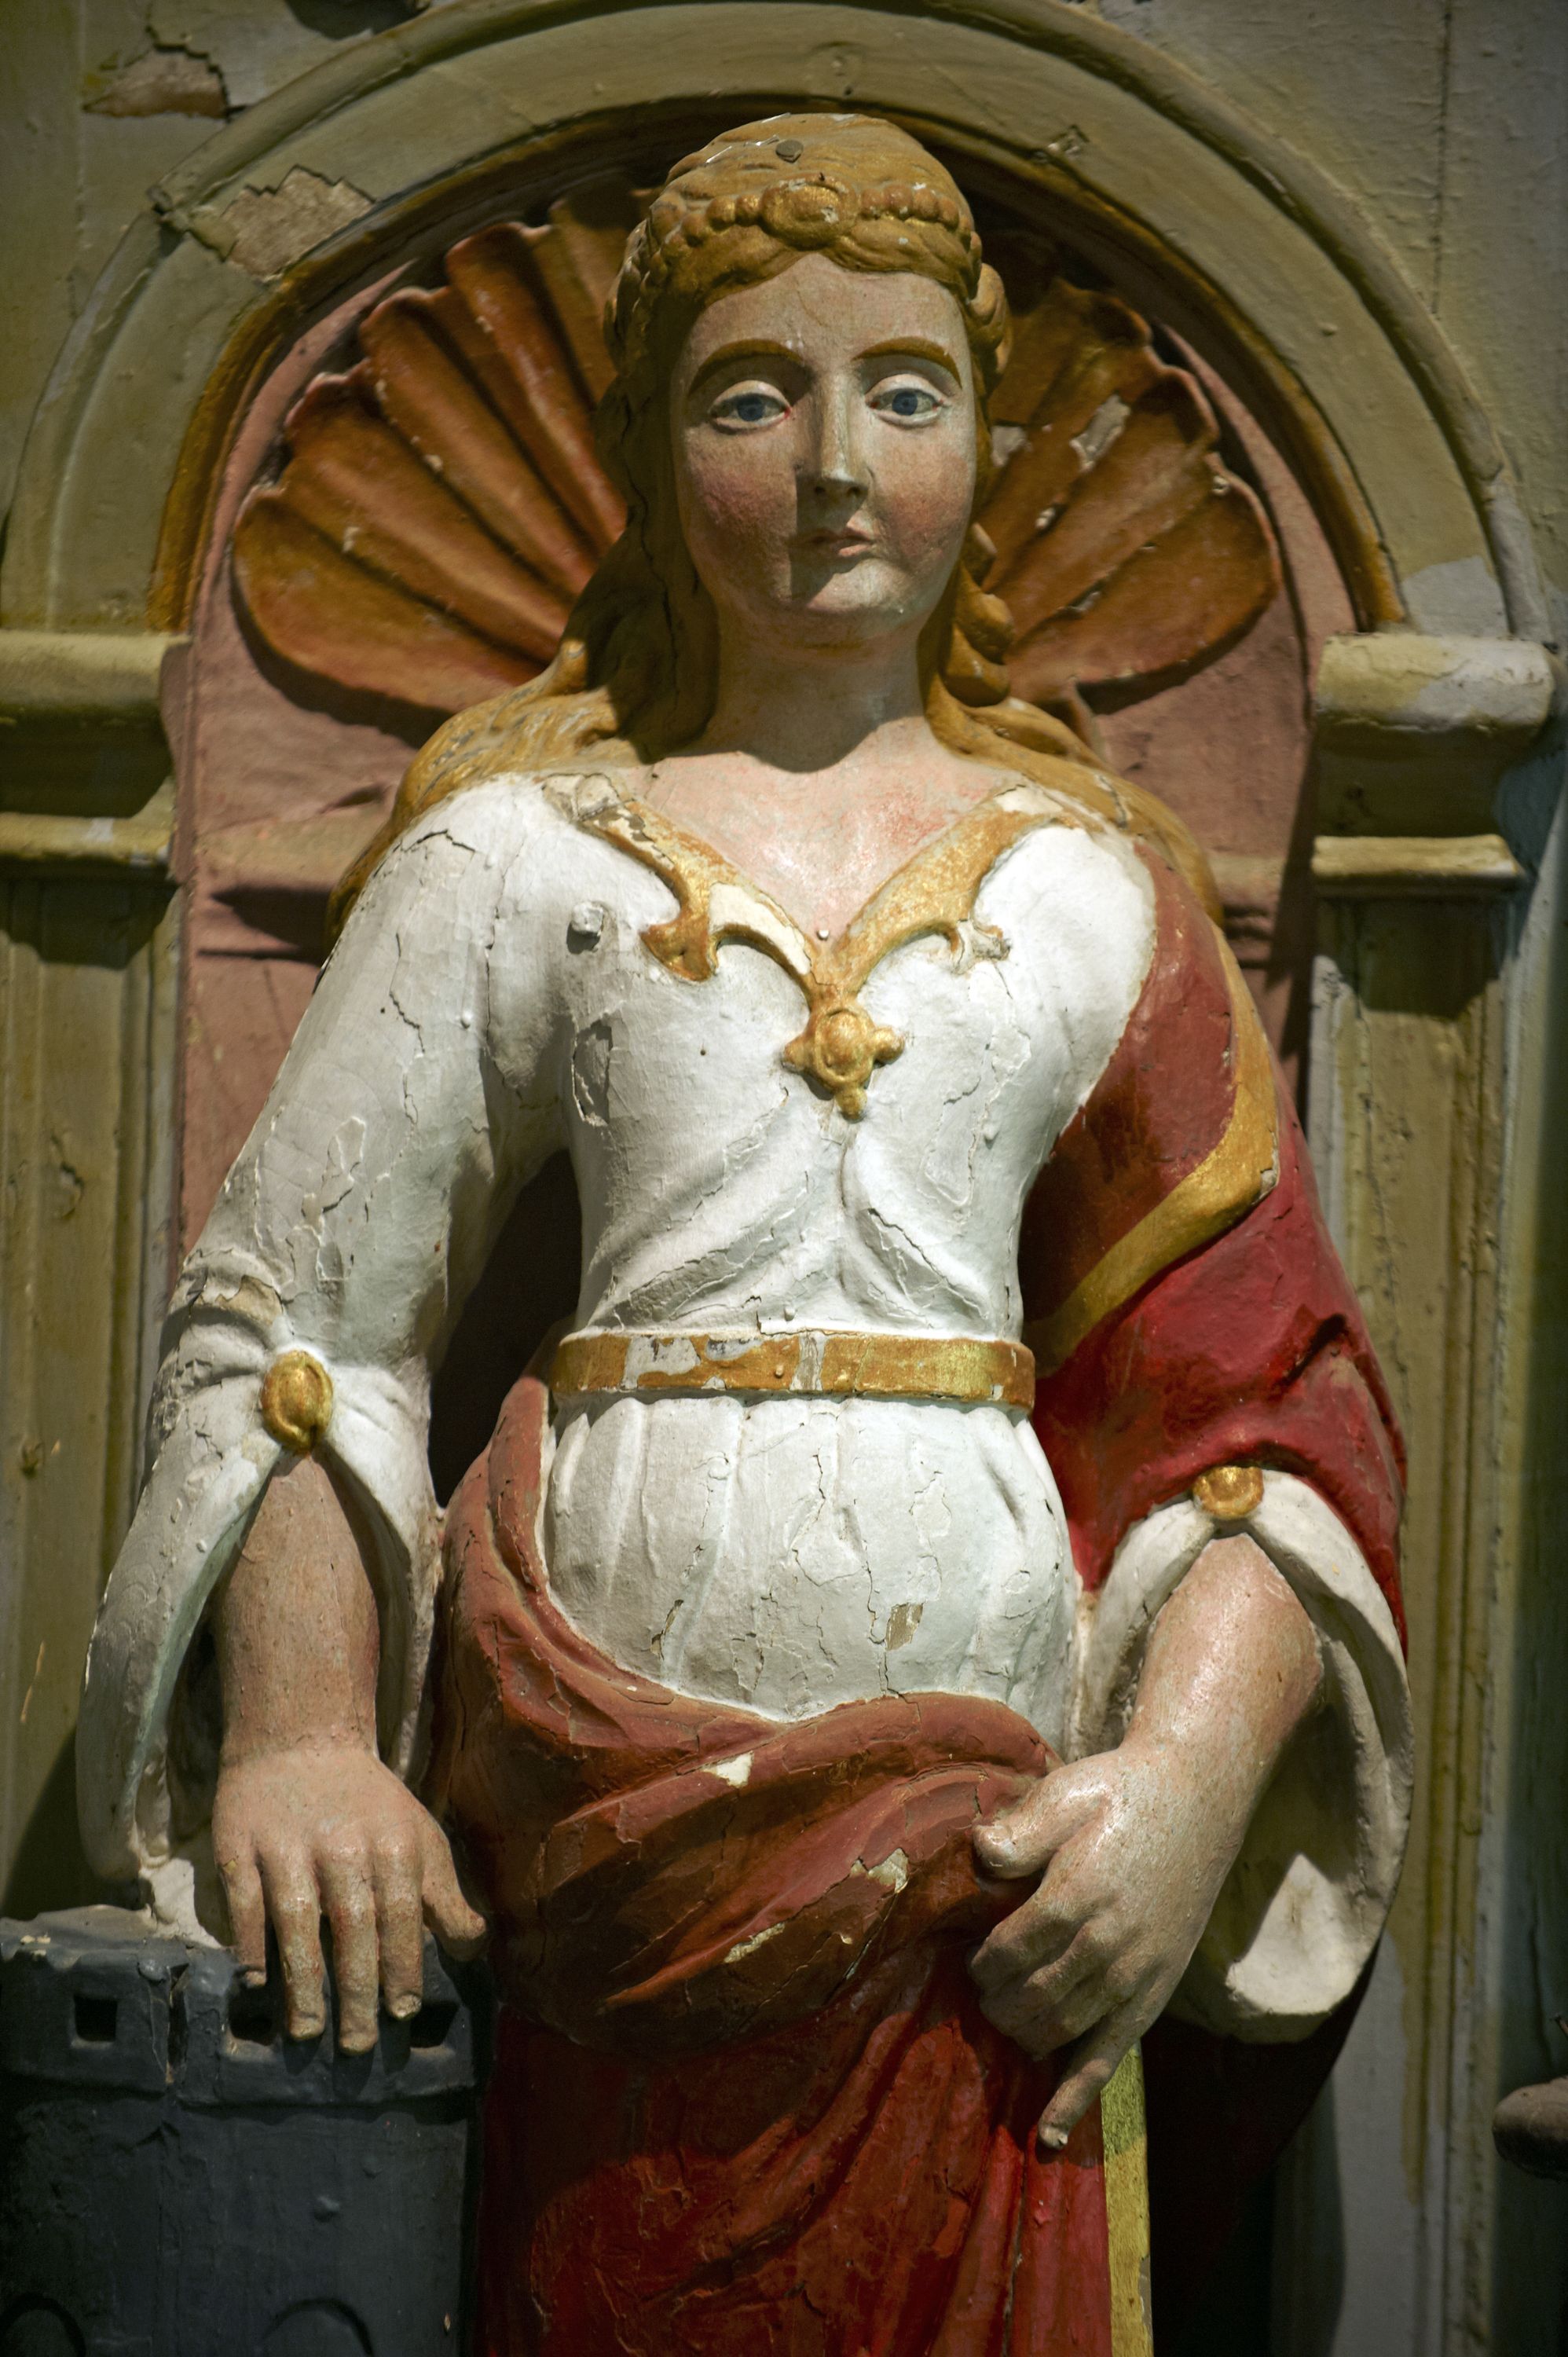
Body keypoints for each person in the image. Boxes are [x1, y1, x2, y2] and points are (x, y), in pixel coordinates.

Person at [79, 115, 1411, 2355]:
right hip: (594, 1795)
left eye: (905, 391)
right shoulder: (516, 852)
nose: (833, 467)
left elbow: (1259, 1415)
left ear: (986, 441)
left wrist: (1184, 1789)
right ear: (644, 449)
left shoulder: (1094, 882)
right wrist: (300, 1735)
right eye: (750, 396)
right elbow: (302, 1325)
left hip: (989, 1836)